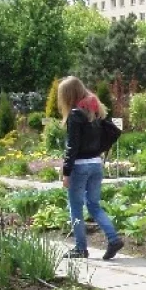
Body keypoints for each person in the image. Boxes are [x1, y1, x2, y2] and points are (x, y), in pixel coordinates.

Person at [59, 76, 124, 260]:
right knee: (94, 205)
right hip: (96, 163)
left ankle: (80, 248)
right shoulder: (95, 112)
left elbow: (72, 146)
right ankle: (113, 238)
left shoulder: (74, 114)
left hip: (79, 166)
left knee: (76, 207)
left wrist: (66, 172)